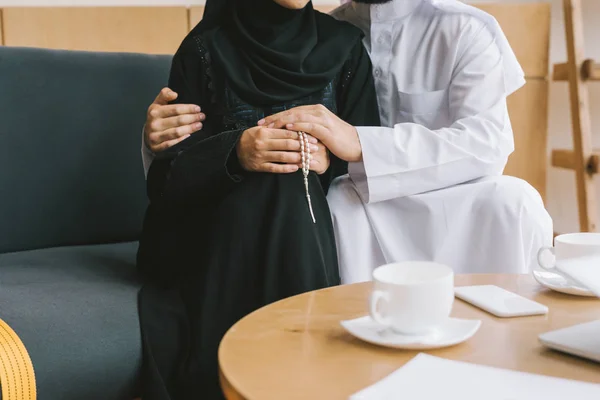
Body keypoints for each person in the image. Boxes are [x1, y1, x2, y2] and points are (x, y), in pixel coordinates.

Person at [143, 0, 553, 283]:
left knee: (516, 201)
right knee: (329, 200)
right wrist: (153, 139)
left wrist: (359, 143)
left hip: (451, 198)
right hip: (354, 200)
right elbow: (204, 137)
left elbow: (488, 143)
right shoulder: (330, 30)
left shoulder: (464, 27)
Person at [136, 0, 380, 398]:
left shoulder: (346, 46)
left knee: (286, 180)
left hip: (310, 228)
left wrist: (329, 159)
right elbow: (167, 179)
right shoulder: (205, 48)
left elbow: (369, 152)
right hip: (222, 233)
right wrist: (236, 152)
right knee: (275, 181)